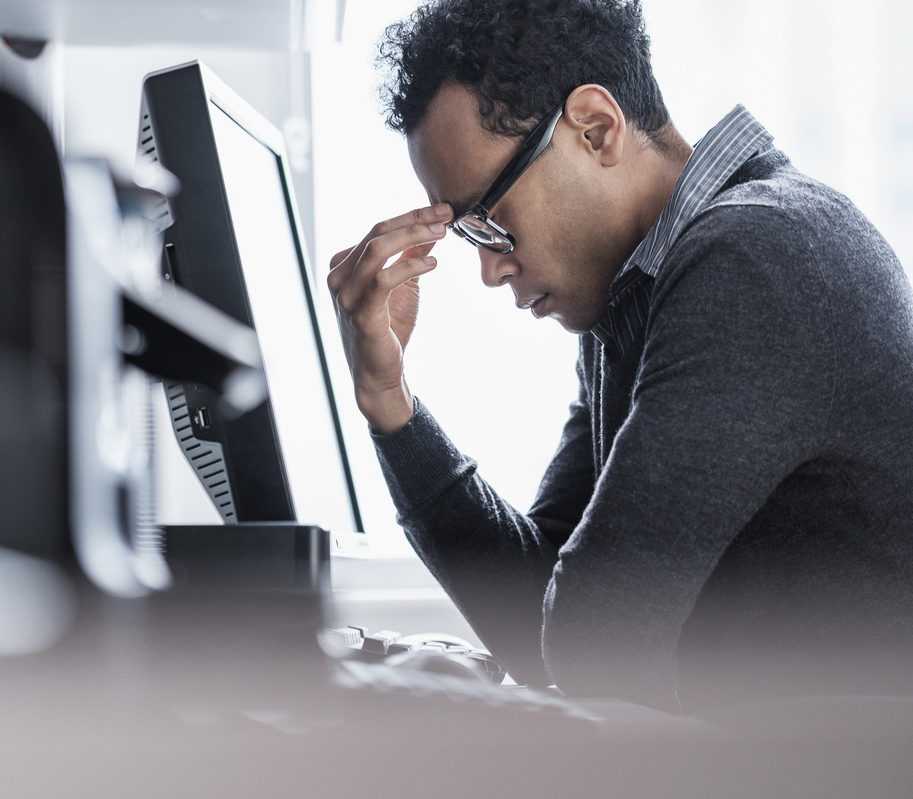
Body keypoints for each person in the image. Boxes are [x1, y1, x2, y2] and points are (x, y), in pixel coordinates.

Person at [326, 0, 913, 713]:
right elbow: (536, 624)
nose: (488, 270)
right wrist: (390, 402)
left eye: (489, 220)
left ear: (595, 127)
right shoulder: (638, 291)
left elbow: (590, 646)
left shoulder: (756, 256)